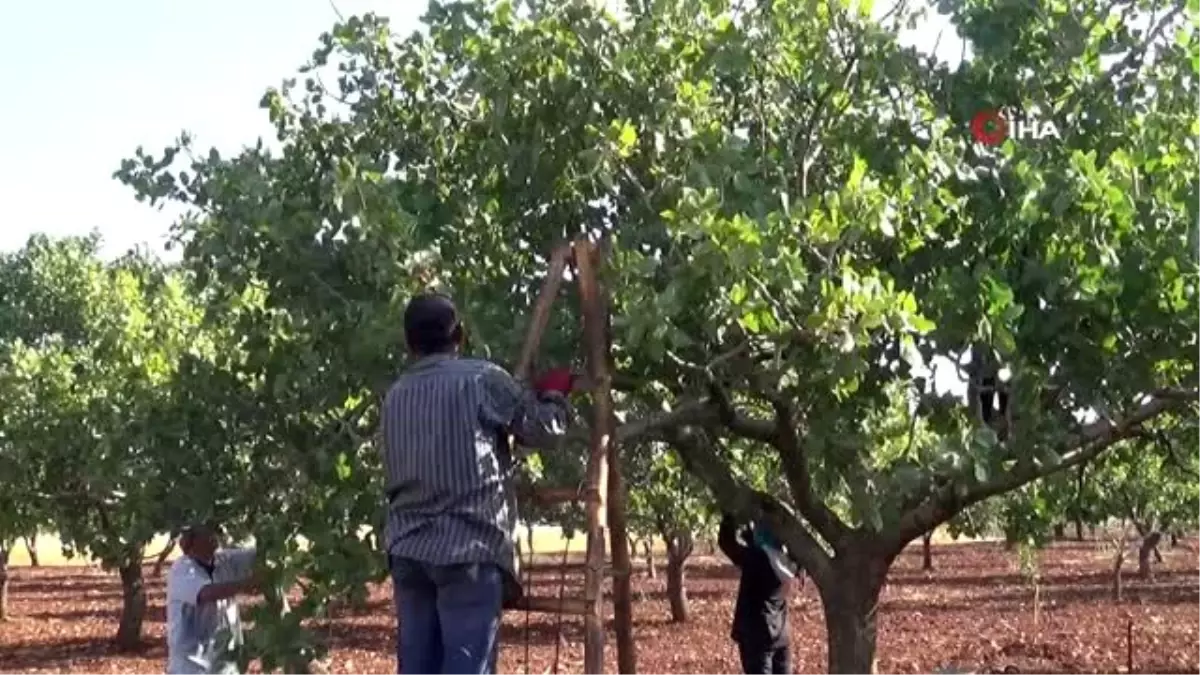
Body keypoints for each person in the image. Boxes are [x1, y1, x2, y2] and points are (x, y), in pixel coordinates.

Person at [381, 292, 573, 675]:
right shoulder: (481, 379)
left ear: (408, 342)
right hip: (466, 548)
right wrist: (553, 395)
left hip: (408, 549)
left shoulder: (395, 394)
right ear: (460, 336)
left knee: (416, 667)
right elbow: (543, 431)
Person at [165, 523, 259, 675]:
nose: (216, 534)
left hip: (226, 666)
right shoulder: (182, 569)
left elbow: (256, 555)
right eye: (209, 531)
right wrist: (246, 585)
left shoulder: (223, 560)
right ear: (193, 540)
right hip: (193, 667)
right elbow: (206, 593)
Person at [718, 512, 801, 675]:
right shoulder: (789, 562)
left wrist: (729, 515)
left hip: (757, 636)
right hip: (780, 633)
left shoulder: (757, 558)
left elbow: (726, 543)